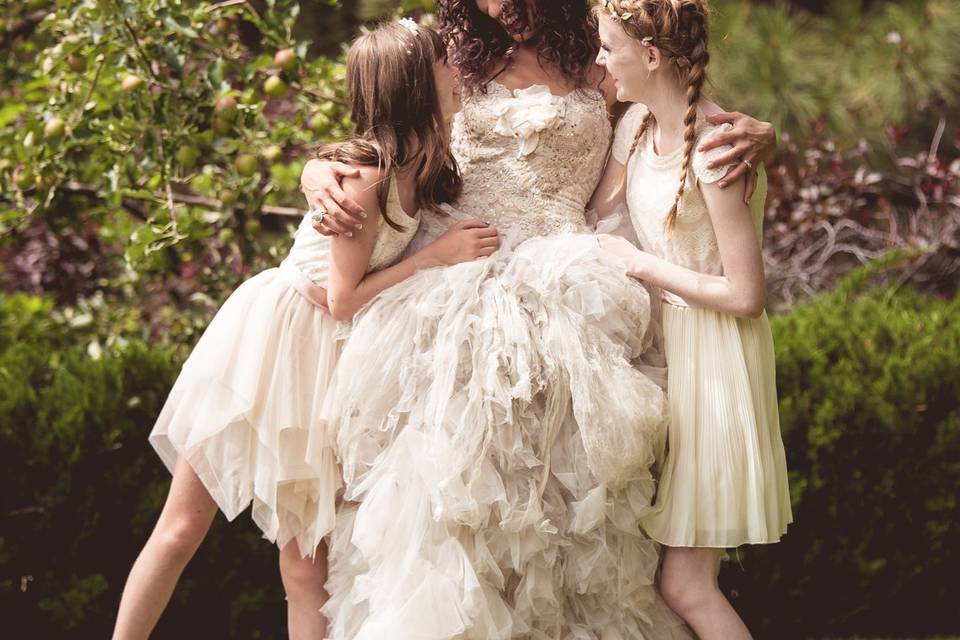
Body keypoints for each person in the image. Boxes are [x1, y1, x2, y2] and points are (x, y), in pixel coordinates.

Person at [110, 20, 496, 640]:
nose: (458, 71)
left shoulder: (421, 169)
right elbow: (342, 299)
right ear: (414, 85)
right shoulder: (362, 181)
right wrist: (434, 256)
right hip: (274, 346)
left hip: (330, 362)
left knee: (307, 567)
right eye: (443, 63)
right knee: (183, 526)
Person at [593, 1, 793, 637]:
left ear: (650, 56)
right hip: (669, 353)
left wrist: (641, 267)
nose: (600, 59)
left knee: (685, 583)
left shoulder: (716, 151)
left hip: (716, 366)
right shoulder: (635, 129)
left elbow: (745, 294)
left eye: (607, 46)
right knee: (663, 574)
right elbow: (592, 211)